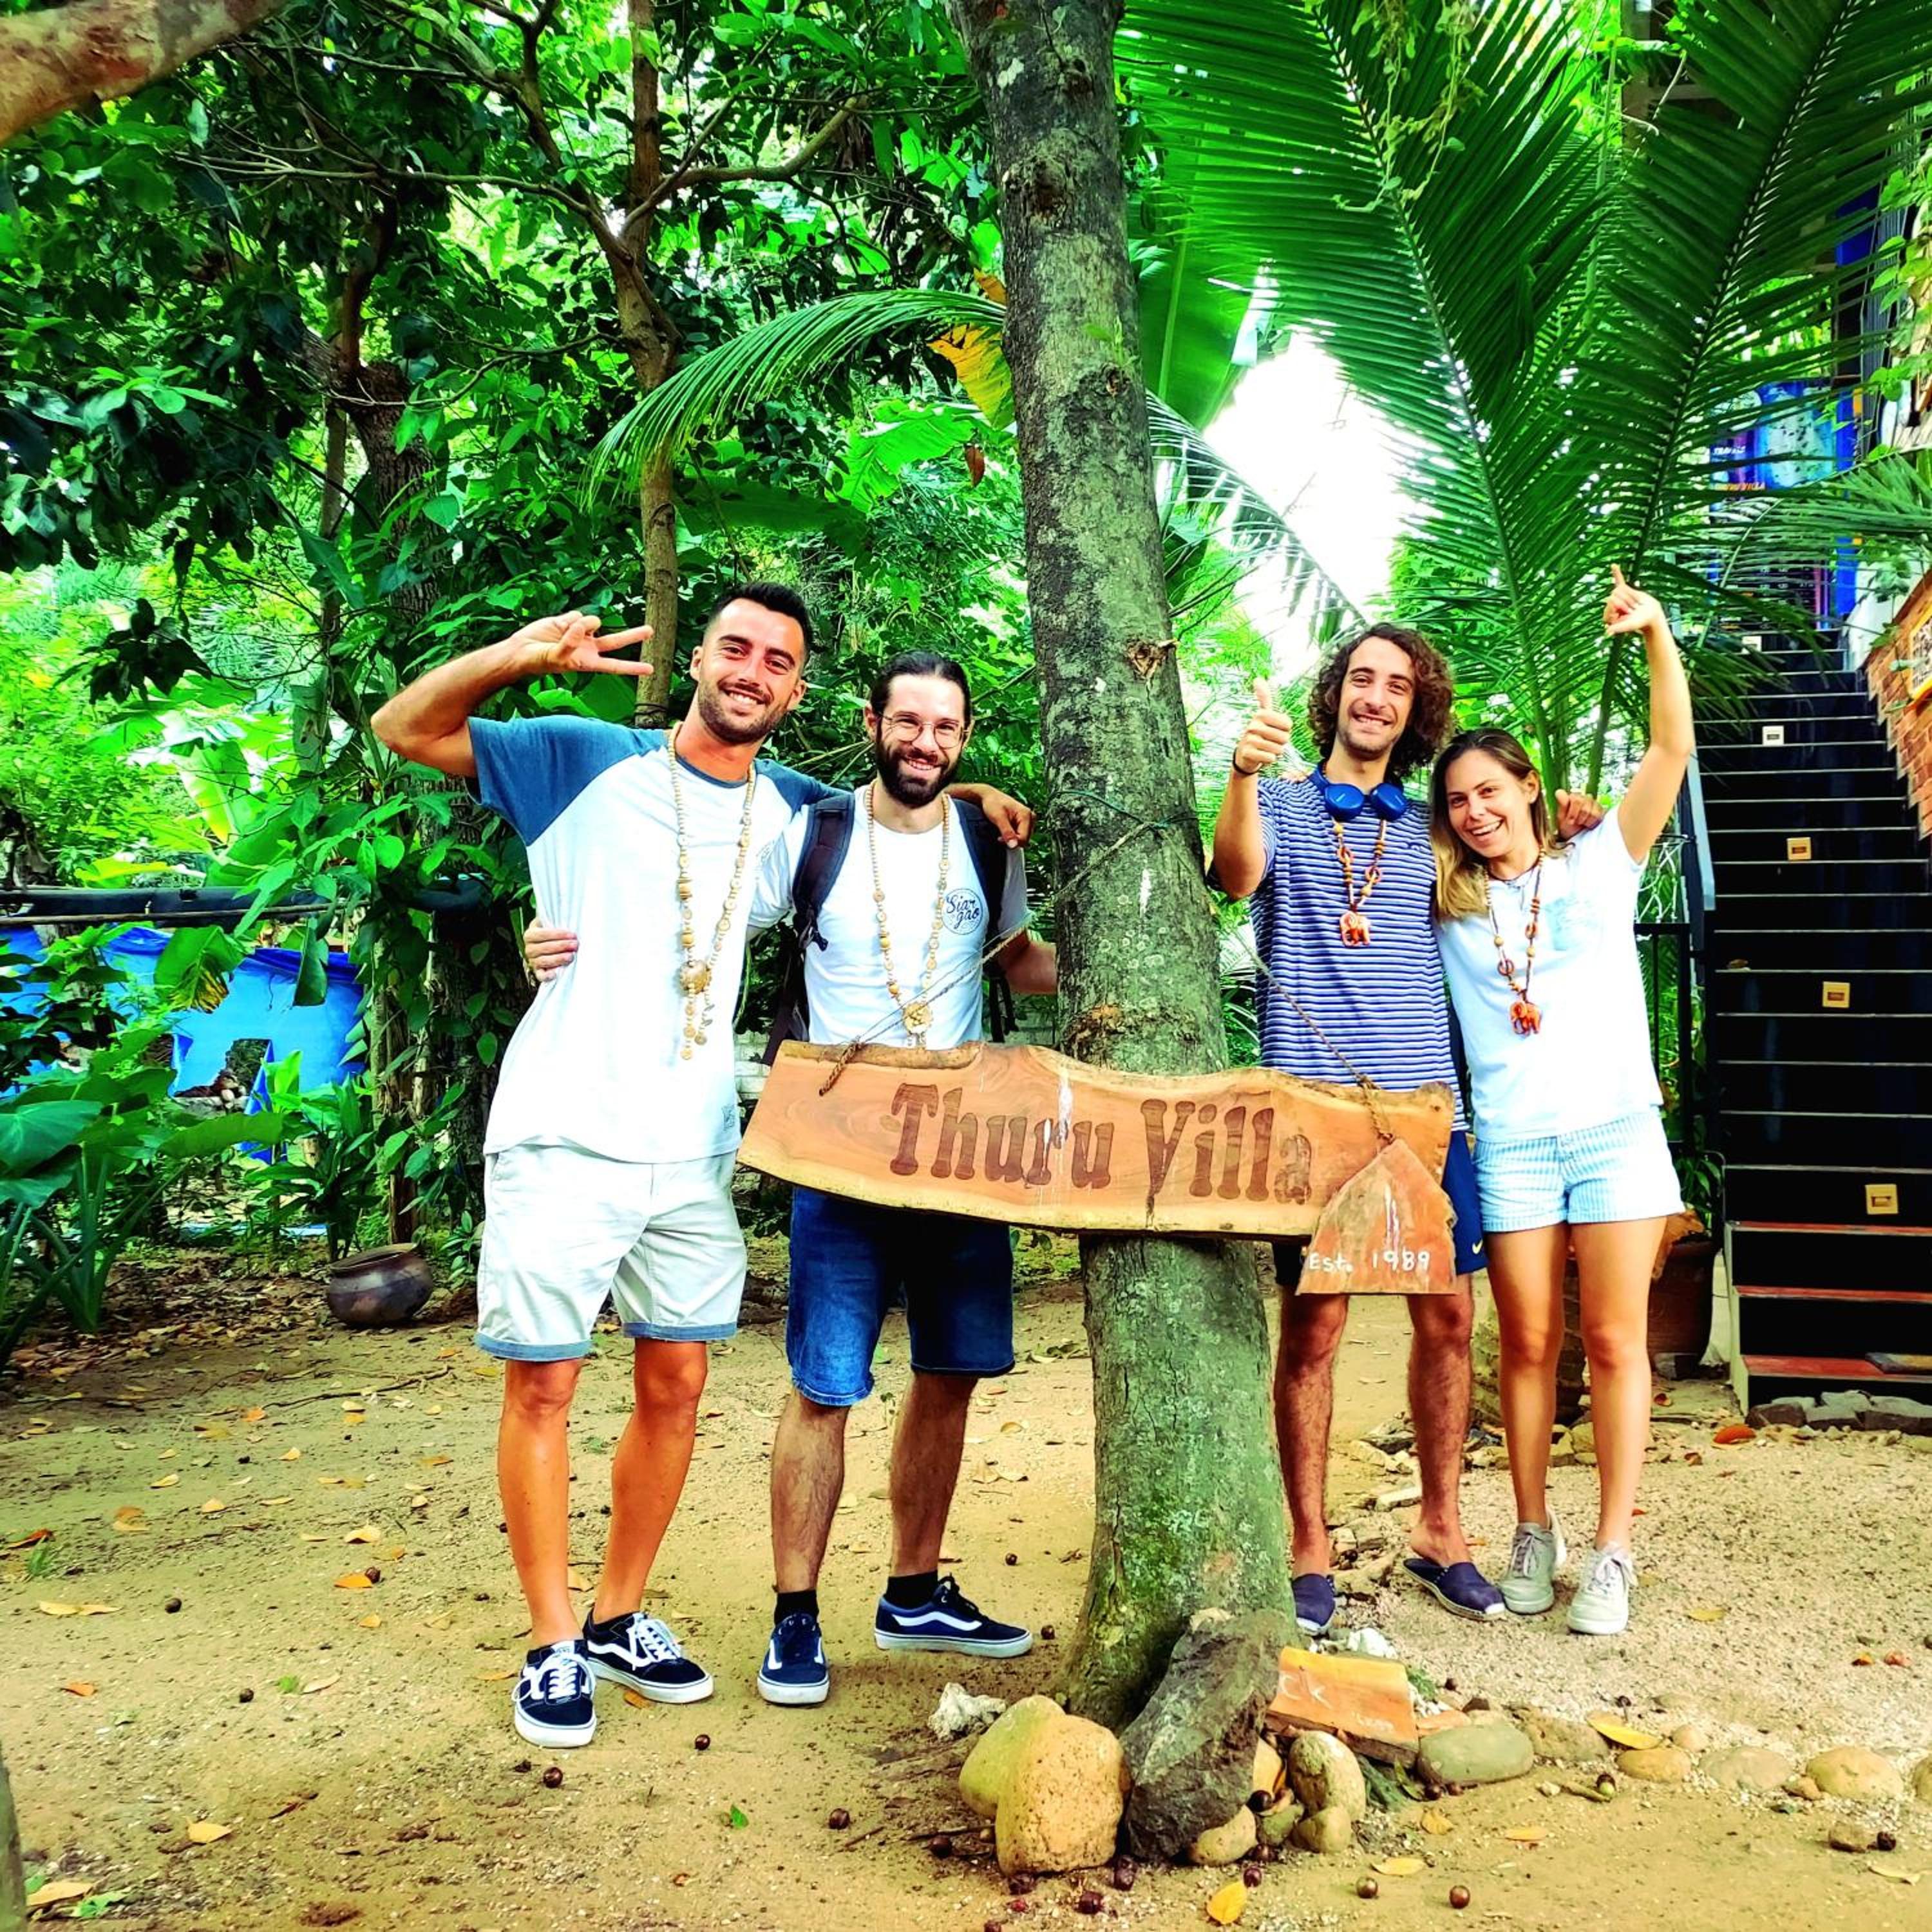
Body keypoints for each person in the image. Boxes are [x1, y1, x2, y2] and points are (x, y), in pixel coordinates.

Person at [372, 587, 1028, 1748]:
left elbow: (903, 800)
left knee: (676, 1383)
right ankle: (550, 1641)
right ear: (700, 662)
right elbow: (405, 728)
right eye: (736, 647)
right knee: (546, 1384)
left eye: (777, 661)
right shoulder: (582, 757)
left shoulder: (795, 808)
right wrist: (516, 658)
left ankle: (617, 1616)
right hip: (565, 1126)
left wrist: (975, 795)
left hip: (692, 1145)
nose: (752, 672)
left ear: (798, 691)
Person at [527, 650, 1056, 1709]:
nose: (925, 743)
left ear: (963, 737)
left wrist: (1129, 952)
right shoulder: (810, 835)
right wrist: (543, 940)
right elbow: (696, 922)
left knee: (951, 1374)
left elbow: (1020, 965)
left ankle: (915, 1590)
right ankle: (795, 1614)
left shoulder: (981, 842)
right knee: (824, 1386)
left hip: (963, 1153)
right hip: (838, 1148)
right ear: (871, 724)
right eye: (907, 722)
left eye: (945, 728)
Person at [1212, 628, 1599, 1634]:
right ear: (1334, 693)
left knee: (1450, 1320)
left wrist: (1573, 828)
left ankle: (1441, 1532)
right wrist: (1243, 773)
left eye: (1397, 686)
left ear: (1416, 710)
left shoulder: (1435, 827)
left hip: (1430, 1110)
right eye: (1362, 679)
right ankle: (1307, 1545)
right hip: (1316, 1108)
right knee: (1316, 1327)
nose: (1376, 697)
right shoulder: (1281, 803)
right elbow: (1236, 875)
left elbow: (1515, 870)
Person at [1430, 567, 1692, 1638]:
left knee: (1619, 1342)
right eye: (1458, 801)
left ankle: (1614, 1549)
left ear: (1530, 787)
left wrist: (1656, 634)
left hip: (1616, 1132)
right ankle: (1532, 1531)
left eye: (1491, 791)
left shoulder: (1600, 863)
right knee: (1529, 1345)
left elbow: (1668, 752)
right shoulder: (1446, 903)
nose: (1476, 811)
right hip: (1516, 1146)